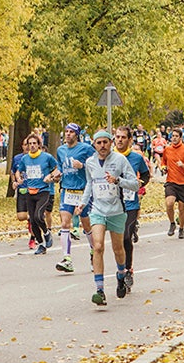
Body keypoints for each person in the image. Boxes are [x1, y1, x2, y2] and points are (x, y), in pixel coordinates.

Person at [76, 130, 141, 305]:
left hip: (117, 211)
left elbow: (135, 184)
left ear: (111, 143)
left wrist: (118, 180)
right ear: (94, 145)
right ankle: (100, 290)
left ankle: (121, 275)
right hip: (97, 210)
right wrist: (83, 203)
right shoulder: (90, 162)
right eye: (99, 143)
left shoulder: (120, 160)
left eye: (105, 142)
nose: (102, 146)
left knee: (118, 249)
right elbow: (90, 184)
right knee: (97, 246)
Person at [54, 124, 95, 273]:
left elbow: (96, 165)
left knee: (87, 226)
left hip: (82, 191)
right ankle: (67, 259)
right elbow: (60, 166)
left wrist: (82, 165)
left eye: (71, 132)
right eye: (66, 132)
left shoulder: (86, 149)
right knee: (65, 223)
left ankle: (93, 252)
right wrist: (56, 174)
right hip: (67, 190)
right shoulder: (61, 150)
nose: (68, 134)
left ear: (76, 135)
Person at [114, 127, 150, 277]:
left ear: (129, 140)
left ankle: (128, 269)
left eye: (123, 137)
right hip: (113, 204)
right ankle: (121, 268)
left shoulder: (136, 158)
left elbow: (146, 175)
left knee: (126, 237)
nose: (120, 140)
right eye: (117, 137)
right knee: (117, 242)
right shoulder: (108, 157)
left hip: (130, 204)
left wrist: (140, 183)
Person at [14, 134, 60, 253]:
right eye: (30, 144)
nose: (32, 146)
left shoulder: (47, 157)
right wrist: (18, 180)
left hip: (43, 191)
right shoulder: (25, 159)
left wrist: (50, 176)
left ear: (39, 145)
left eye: (34, 143)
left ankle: (46, 232)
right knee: (33, 221)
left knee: (38, 216)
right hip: (30, 192)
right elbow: (19, 171)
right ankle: (41, 244)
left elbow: (57, 168)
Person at [161, 130, 184, 239]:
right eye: (173, 136)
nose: (174, 138)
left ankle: (181, 229)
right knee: (169, 203)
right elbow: (163, 162)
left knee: (182, 208)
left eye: (176, 136)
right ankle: (172, 223)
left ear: (181, 137)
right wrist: (163, 168)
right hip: (171, 181)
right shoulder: (167, 149)